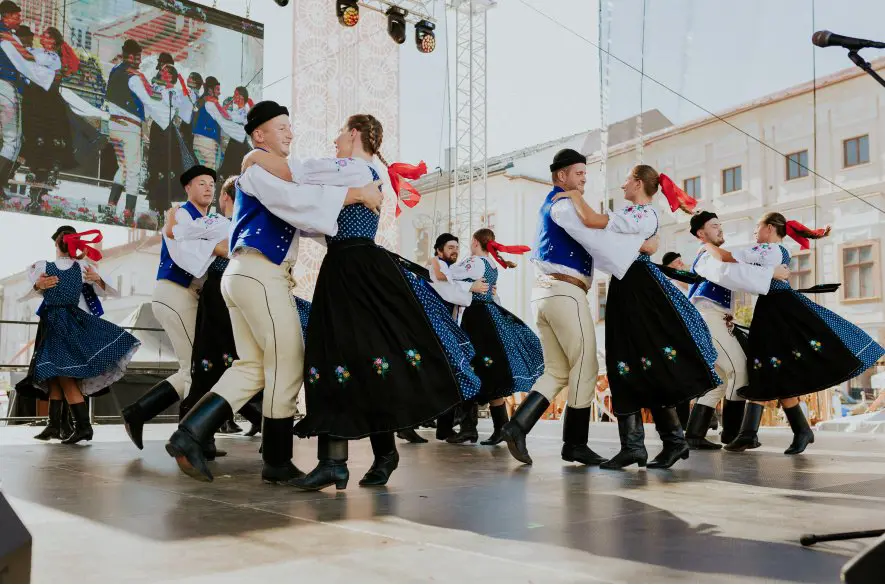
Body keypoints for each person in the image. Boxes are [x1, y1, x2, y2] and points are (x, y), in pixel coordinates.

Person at [254, 113, 478, 490]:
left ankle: (361, 458)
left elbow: (299, 171)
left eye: (341, 132)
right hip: (344, 265)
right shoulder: (357, 174)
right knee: (346, 359)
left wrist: (252, 159)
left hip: (355, 267)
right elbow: (315, 218)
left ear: (355, 134)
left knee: (359, 356)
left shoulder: (352, 167)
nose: (335, 139)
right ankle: (341, 461)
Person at [164, 101, 383, 485]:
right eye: (280, 127)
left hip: (248, 275)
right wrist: (356, 194)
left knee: (252, 366)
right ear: (259, 135)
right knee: (290, 360)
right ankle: (276, 458)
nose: (290, 133)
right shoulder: (259, 170)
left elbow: (306, 214)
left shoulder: (267, 171)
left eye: (290, 126)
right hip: (260, 273)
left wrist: (351, 205)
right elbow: (296, 204)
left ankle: (190, 434)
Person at [553, 164, 720, 470]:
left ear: (639, 183)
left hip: (639, 287)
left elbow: (591, 220)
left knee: (648, 360)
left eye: (627, 180)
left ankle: (670, 441)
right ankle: (636, 446)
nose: (623, 185)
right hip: (625, 284)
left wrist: (571, 194)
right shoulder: (636, 215)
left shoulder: (642, 213)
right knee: (624, 362)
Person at [703, 212, 885, 454]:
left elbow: (726, 257)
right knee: (771, 368)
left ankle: (758, 433)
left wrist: (705, 243)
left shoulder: (769, 250)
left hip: (780, 310)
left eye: (757, 227)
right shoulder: (771, 252)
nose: (755, 232)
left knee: (769, 365)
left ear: (769, 228)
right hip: (772, 308)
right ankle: (797, 430)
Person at [500, 149, 606, 467]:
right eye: (578, 173)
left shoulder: (554, 204)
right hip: (565, 293)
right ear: (561, 176)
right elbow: (591, 234)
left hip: (546, 294)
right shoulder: (563, 203)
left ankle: (516, 426)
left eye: (585, 174)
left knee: (557, 371)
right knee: (586, 365)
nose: (584, 178)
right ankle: (575, 444)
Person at [121, 165, 228, 455]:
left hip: (189, 296)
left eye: (211, 184)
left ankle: (140, 413)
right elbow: (191, 253)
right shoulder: (181, 215)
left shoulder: (211, 219)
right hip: (175, 292)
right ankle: (193, 440)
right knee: (197, 367)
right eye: (201, 183)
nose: (208, 188)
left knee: (193, 366)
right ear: (188, 189)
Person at [683, 211, 790, 450]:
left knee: (721, 379)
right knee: (740, 370)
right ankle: (731, 434)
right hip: (707, 318)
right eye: (714, 226)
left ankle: (694, 434)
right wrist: (770, 273)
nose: (720, 229)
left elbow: (734, 274)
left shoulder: (715, 255)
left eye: (720, 224)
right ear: (701, 234)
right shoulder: (705, 255)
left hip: (716, 318)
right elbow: (727, 274)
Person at [24, 227, 140, 443]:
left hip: (77, 324)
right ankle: (56, 425)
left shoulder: (83, 268)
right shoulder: (55, 268)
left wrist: (98, 280)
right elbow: (36, 287)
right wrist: (39, 285)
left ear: (57, 244)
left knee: (66, 375)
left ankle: (78, 426)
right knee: (57, 375)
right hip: (56, 323)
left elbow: (110, 290)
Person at [442, 228, 543, 446]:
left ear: (476, 242)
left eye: (471, 242)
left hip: (477, 318)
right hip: (488, 315)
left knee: (469, 367)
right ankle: (499, 428)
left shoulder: (475, 261)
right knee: (488, 370)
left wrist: (439, 265)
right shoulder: (491, 264)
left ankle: (470, 428)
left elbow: (451, 273)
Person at [104, 39, 156, 219]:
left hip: (114, 125)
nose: (140, 61)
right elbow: (147, 100)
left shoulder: (114, 70)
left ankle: (111, 206)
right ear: (132, 56)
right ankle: (129, 212)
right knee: (133, 170)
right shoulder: (133, 77)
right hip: (130, 127)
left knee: (123, 167)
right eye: (139, 57)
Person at [0, 1, 24, 198]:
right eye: (16, 16)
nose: (20, 19)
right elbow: (25, 63)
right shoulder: (8, 36)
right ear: (6, 16)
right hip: (5, 86)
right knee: (12, 140)